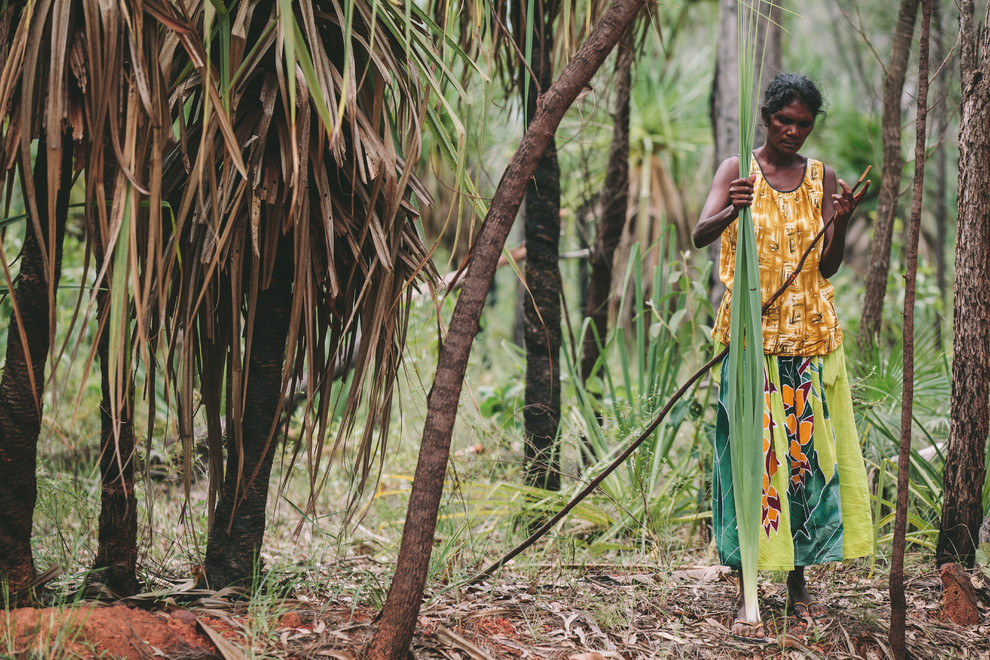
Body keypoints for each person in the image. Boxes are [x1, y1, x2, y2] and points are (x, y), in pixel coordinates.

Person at [693, 73, 874, 640]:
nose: (793, 132)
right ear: (766, 117)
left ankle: (798, 586)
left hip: (807, 344)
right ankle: (747, 582)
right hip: (751, 345)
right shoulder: (737, 171)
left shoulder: (822, 178)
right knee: (751, 459)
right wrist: (732, 210)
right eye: (783, 121)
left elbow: (827, 267)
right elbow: (700, 234)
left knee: (800, 463)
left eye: (803, 124)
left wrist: (839, 222)